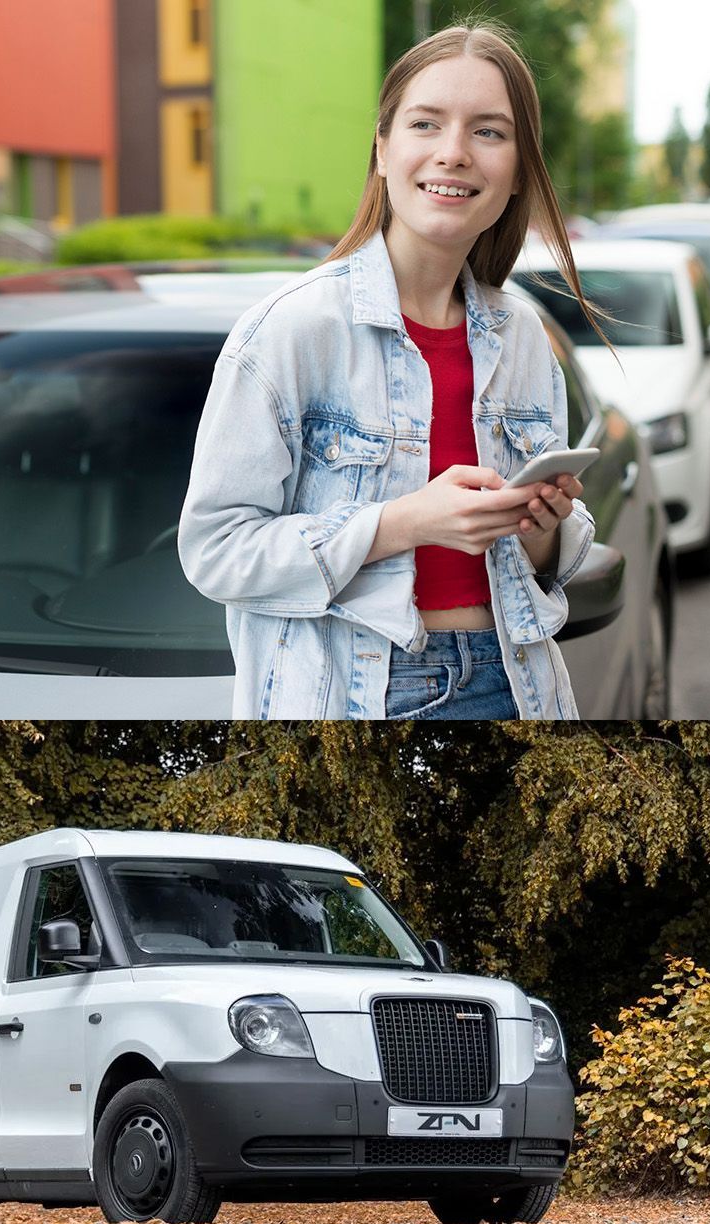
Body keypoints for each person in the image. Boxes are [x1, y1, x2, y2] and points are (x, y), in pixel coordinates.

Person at [178, 21, 607, 720]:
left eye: (489, 132)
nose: (453, 153)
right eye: (426, 123)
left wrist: (541, 527)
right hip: (359, 699)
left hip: (523, 687)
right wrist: (403, 522)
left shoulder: (522, 333)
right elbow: (215, 551)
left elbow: (544, 560)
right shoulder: (291, 330)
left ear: (520, 169)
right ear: (382, 149)